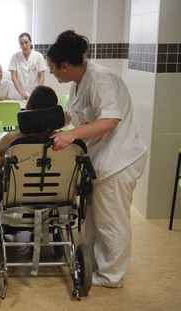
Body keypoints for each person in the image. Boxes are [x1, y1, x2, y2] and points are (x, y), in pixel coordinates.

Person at [47, 30, 147, 288]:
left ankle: (111, 275)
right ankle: (94, 264)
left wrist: (71, 137)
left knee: (111, 221)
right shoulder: (78, 81)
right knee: (94, 219)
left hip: (118, 161)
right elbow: (71, 116)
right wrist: (40, 122)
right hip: (100, 160)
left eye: (52, 68)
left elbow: (110, 120)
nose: (51, 73)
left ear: (65, 66)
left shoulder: (100, 79)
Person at [0, 85, 58, 172]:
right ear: (54, 113)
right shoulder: (64, 142)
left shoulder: (11, 139)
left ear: (27, 109)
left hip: (17, 185)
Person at [9, 32, 47, 100]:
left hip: (34, 94)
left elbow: (41, 76)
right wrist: (21, 93)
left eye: (26, 42)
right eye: (21, 43)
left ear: (30, 42)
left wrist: (37, 92)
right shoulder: (15, 57)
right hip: (18, 95)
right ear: (19, 45)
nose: (24, 45)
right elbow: (13, 77)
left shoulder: (38, 56)